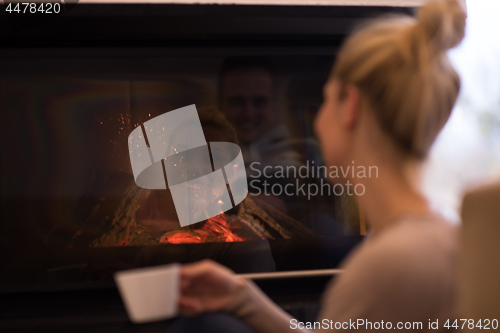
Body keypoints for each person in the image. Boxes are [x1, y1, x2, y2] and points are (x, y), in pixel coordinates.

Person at [177, 0, 466, 331]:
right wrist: (243, 298)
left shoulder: (384, 267)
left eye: (326, 100)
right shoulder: (430, 241)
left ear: (350, 107)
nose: (317, 119)